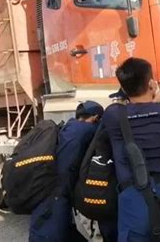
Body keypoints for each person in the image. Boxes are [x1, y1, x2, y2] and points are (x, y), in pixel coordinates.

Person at [102, 58, 160, 241]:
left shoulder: (113, 115)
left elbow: (140, 109)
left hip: (132, 202)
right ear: (151, 83)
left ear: (123, 89)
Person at [30, 101, 103, 242]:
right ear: (95, 118)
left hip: (47, 185)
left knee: (45, 224)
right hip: (59, 190)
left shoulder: (67, 127)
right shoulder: (87, 130)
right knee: (53, 230)